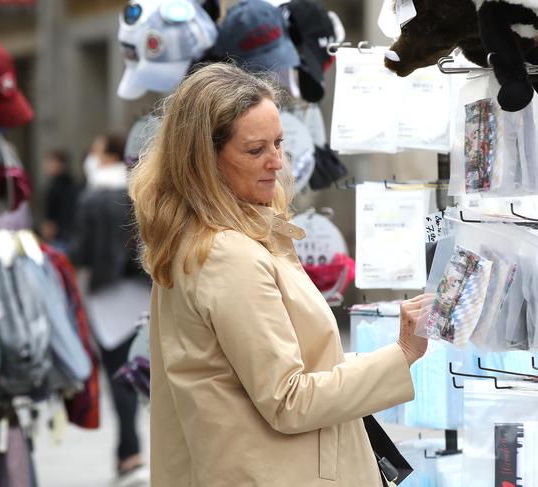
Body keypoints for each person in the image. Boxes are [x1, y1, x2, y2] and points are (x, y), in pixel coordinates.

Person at [129, 62, 429, 487]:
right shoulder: (226, 255)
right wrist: (402, 352)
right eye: (255, 150)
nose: (276, 162)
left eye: (279, 143)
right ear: (204, 161)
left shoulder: (205, 240)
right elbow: (289, 399)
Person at [71, 133, 150, 487]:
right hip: (142, 292)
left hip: (105, 295)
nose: (91, 155)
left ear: (109, 154)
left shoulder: (92, 196)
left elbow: (83, 250)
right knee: (144, 371)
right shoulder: (140, 190)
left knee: (119, 374)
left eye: (96, 149)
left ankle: (130, 452)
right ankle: (128, 453)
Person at [40, 149, 79, 251]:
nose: (48, 165)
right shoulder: (74, 184)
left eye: (51, 162)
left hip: (60, 238)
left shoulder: (54, 188)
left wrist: (46, 236)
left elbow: (50, 219)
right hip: (72, 235)